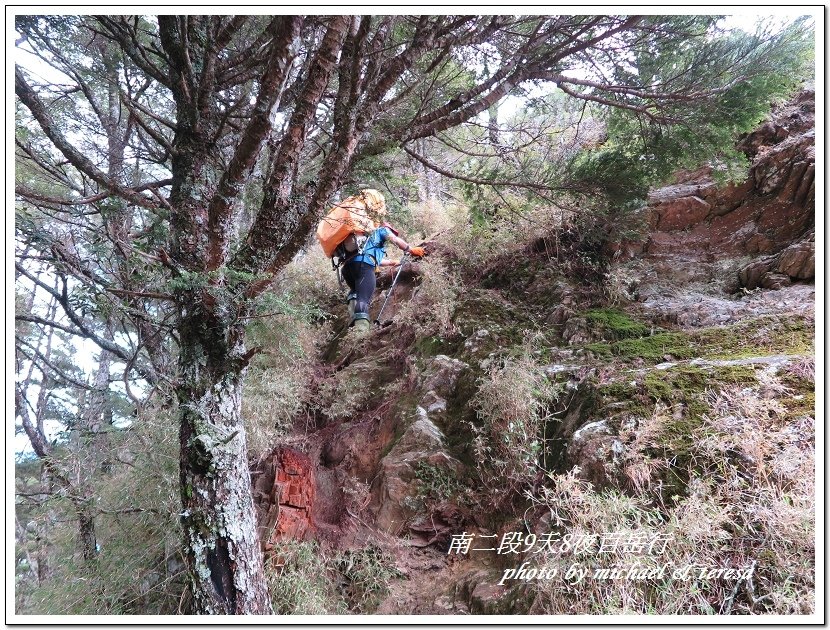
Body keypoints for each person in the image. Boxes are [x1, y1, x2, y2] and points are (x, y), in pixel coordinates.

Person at [341, 191, 424, 332]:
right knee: (363, 298)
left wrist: (393, 262)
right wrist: (411, 249)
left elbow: (375, 259)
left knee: (355, 291)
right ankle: (361, 332)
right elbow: (396, 240)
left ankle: (353, 318)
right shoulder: (382, 230)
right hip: (363, 266)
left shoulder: (365, 238)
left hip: (348, 267)